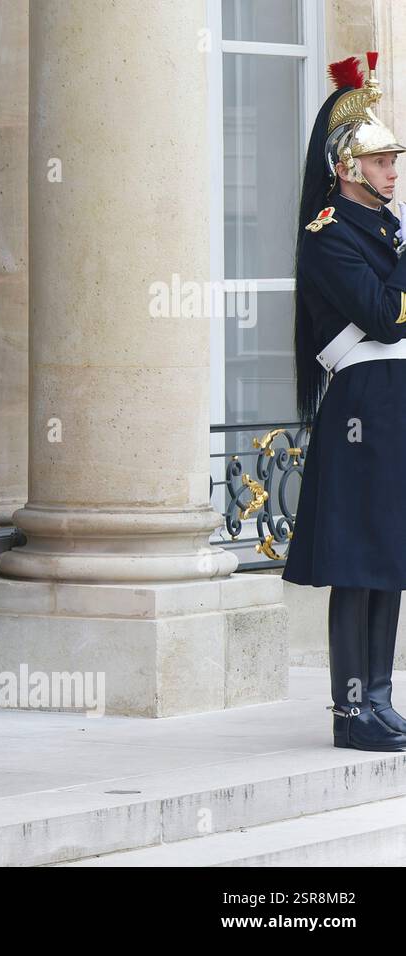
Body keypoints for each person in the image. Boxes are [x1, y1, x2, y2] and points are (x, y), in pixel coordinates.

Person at [284, 52, 406, 752]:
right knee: (359, 561)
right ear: (348, 167)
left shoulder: (382, 232)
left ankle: (381, 699)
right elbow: (386, 316)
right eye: (382, 161)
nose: (393, 171)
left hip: (392, 401)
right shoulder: (329, 236)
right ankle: (351, 710)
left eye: (394, 160)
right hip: (363, 406)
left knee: (389, 557)